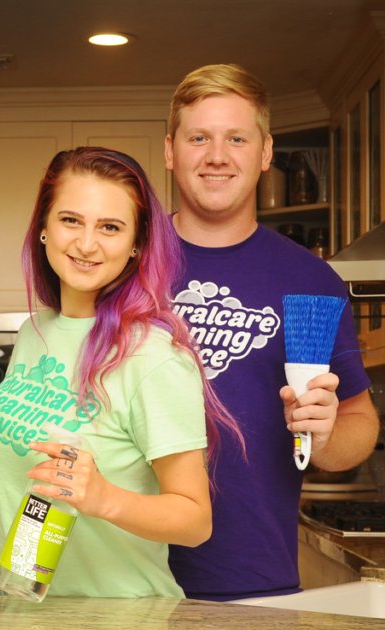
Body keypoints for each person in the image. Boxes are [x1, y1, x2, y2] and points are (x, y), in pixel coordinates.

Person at [0, 147, 240, 597]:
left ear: (136, 244)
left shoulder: (153, 357)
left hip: (122, 626)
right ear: (43, 228)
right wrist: (9, 584)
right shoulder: (33, 334)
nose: (86, 244)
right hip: (29, 618)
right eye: (70, 220)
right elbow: (31, 489)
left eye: (110, 228)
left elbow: (195, 521)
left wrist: (104, 498)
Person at [163, 64, 379, 601]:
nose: (217, 155)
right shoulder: (127, 264)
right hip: (124, 578)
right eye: (199, 138)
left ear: (264, 153)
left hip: (255, 585)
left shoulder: (310, 280)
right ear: (171, 151)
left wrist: (325, 436)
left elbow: (358, 421)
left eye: (236, 137)